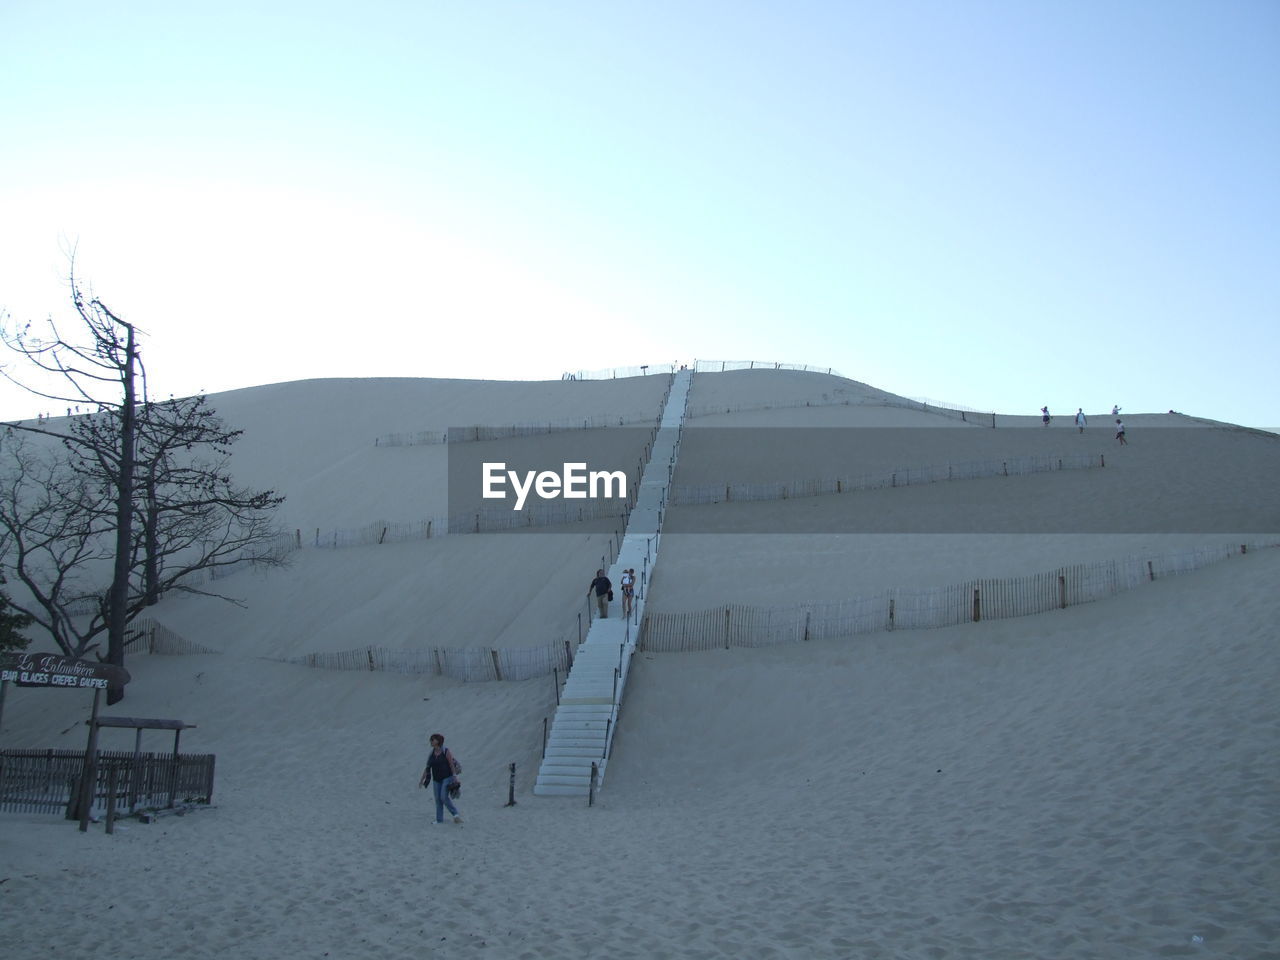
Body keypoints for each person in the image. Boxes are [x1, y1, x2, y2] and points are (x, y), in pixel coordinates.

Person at [419, 733, 463, 824]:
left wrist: (455, 776)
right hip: (436, 779)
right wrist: (422, 780)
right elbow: (427, 767)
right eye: (431, 740)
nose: (431, 741)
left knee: (443, 796)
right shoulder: (431, 753)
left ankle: (456, 815)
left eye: (433, 739)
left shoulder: (446, 751)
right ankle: (439, 820)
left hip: (447, 777)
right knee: (438, 799)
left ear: (438, 741)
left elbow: (451, 764)